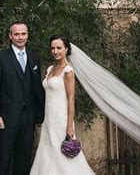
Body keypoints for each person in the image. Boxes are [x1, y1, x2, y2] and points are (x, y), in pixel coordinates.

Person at [30, 35, 94, 175]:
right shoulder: (50, 69)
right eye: (53, 48)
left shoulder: (68, 71)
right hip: (49, 120)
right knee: (48, 152)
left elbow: (71, 99)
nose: (55, 51)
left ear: (66, 49)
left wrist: (70, 125)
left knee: (64, 155)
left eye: (59, 48)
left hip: (61, 119)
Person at [0, 21, 45, 175]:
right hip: (6, 117)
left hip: (28, 118)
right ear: (10, 36)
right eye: (17, 34)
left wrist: (39, 115)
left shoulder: (34, 58)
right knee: (3, 159)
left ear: (27, 35)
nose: (20, 37)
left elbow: (37, 89)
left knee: (24, 160)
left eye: (23, 34)